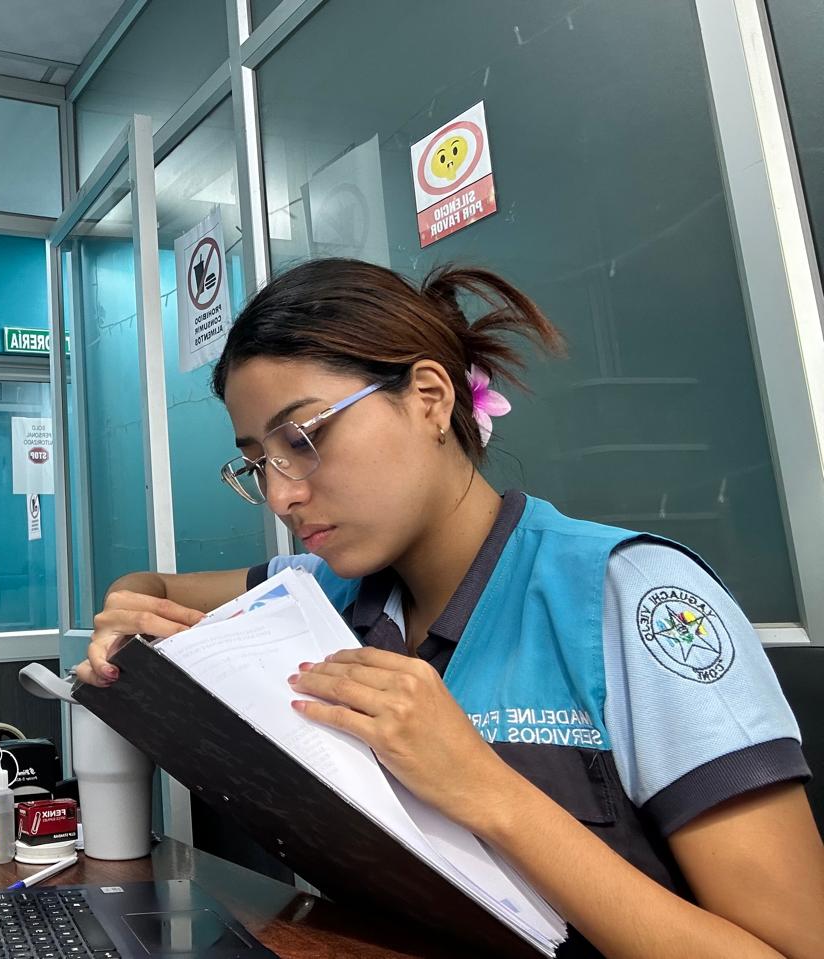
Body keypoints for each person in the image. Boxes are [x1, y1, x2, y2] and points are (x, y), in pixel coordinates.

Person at [74, 258, 824, 958]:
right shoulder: (324, 590)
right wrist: (129, 617)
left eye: (302, 438)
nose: (281, 494)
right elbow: (150, 588)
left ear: (429, 398)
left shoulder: (629, 598)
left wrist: (487, 791)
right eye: (257, 462)